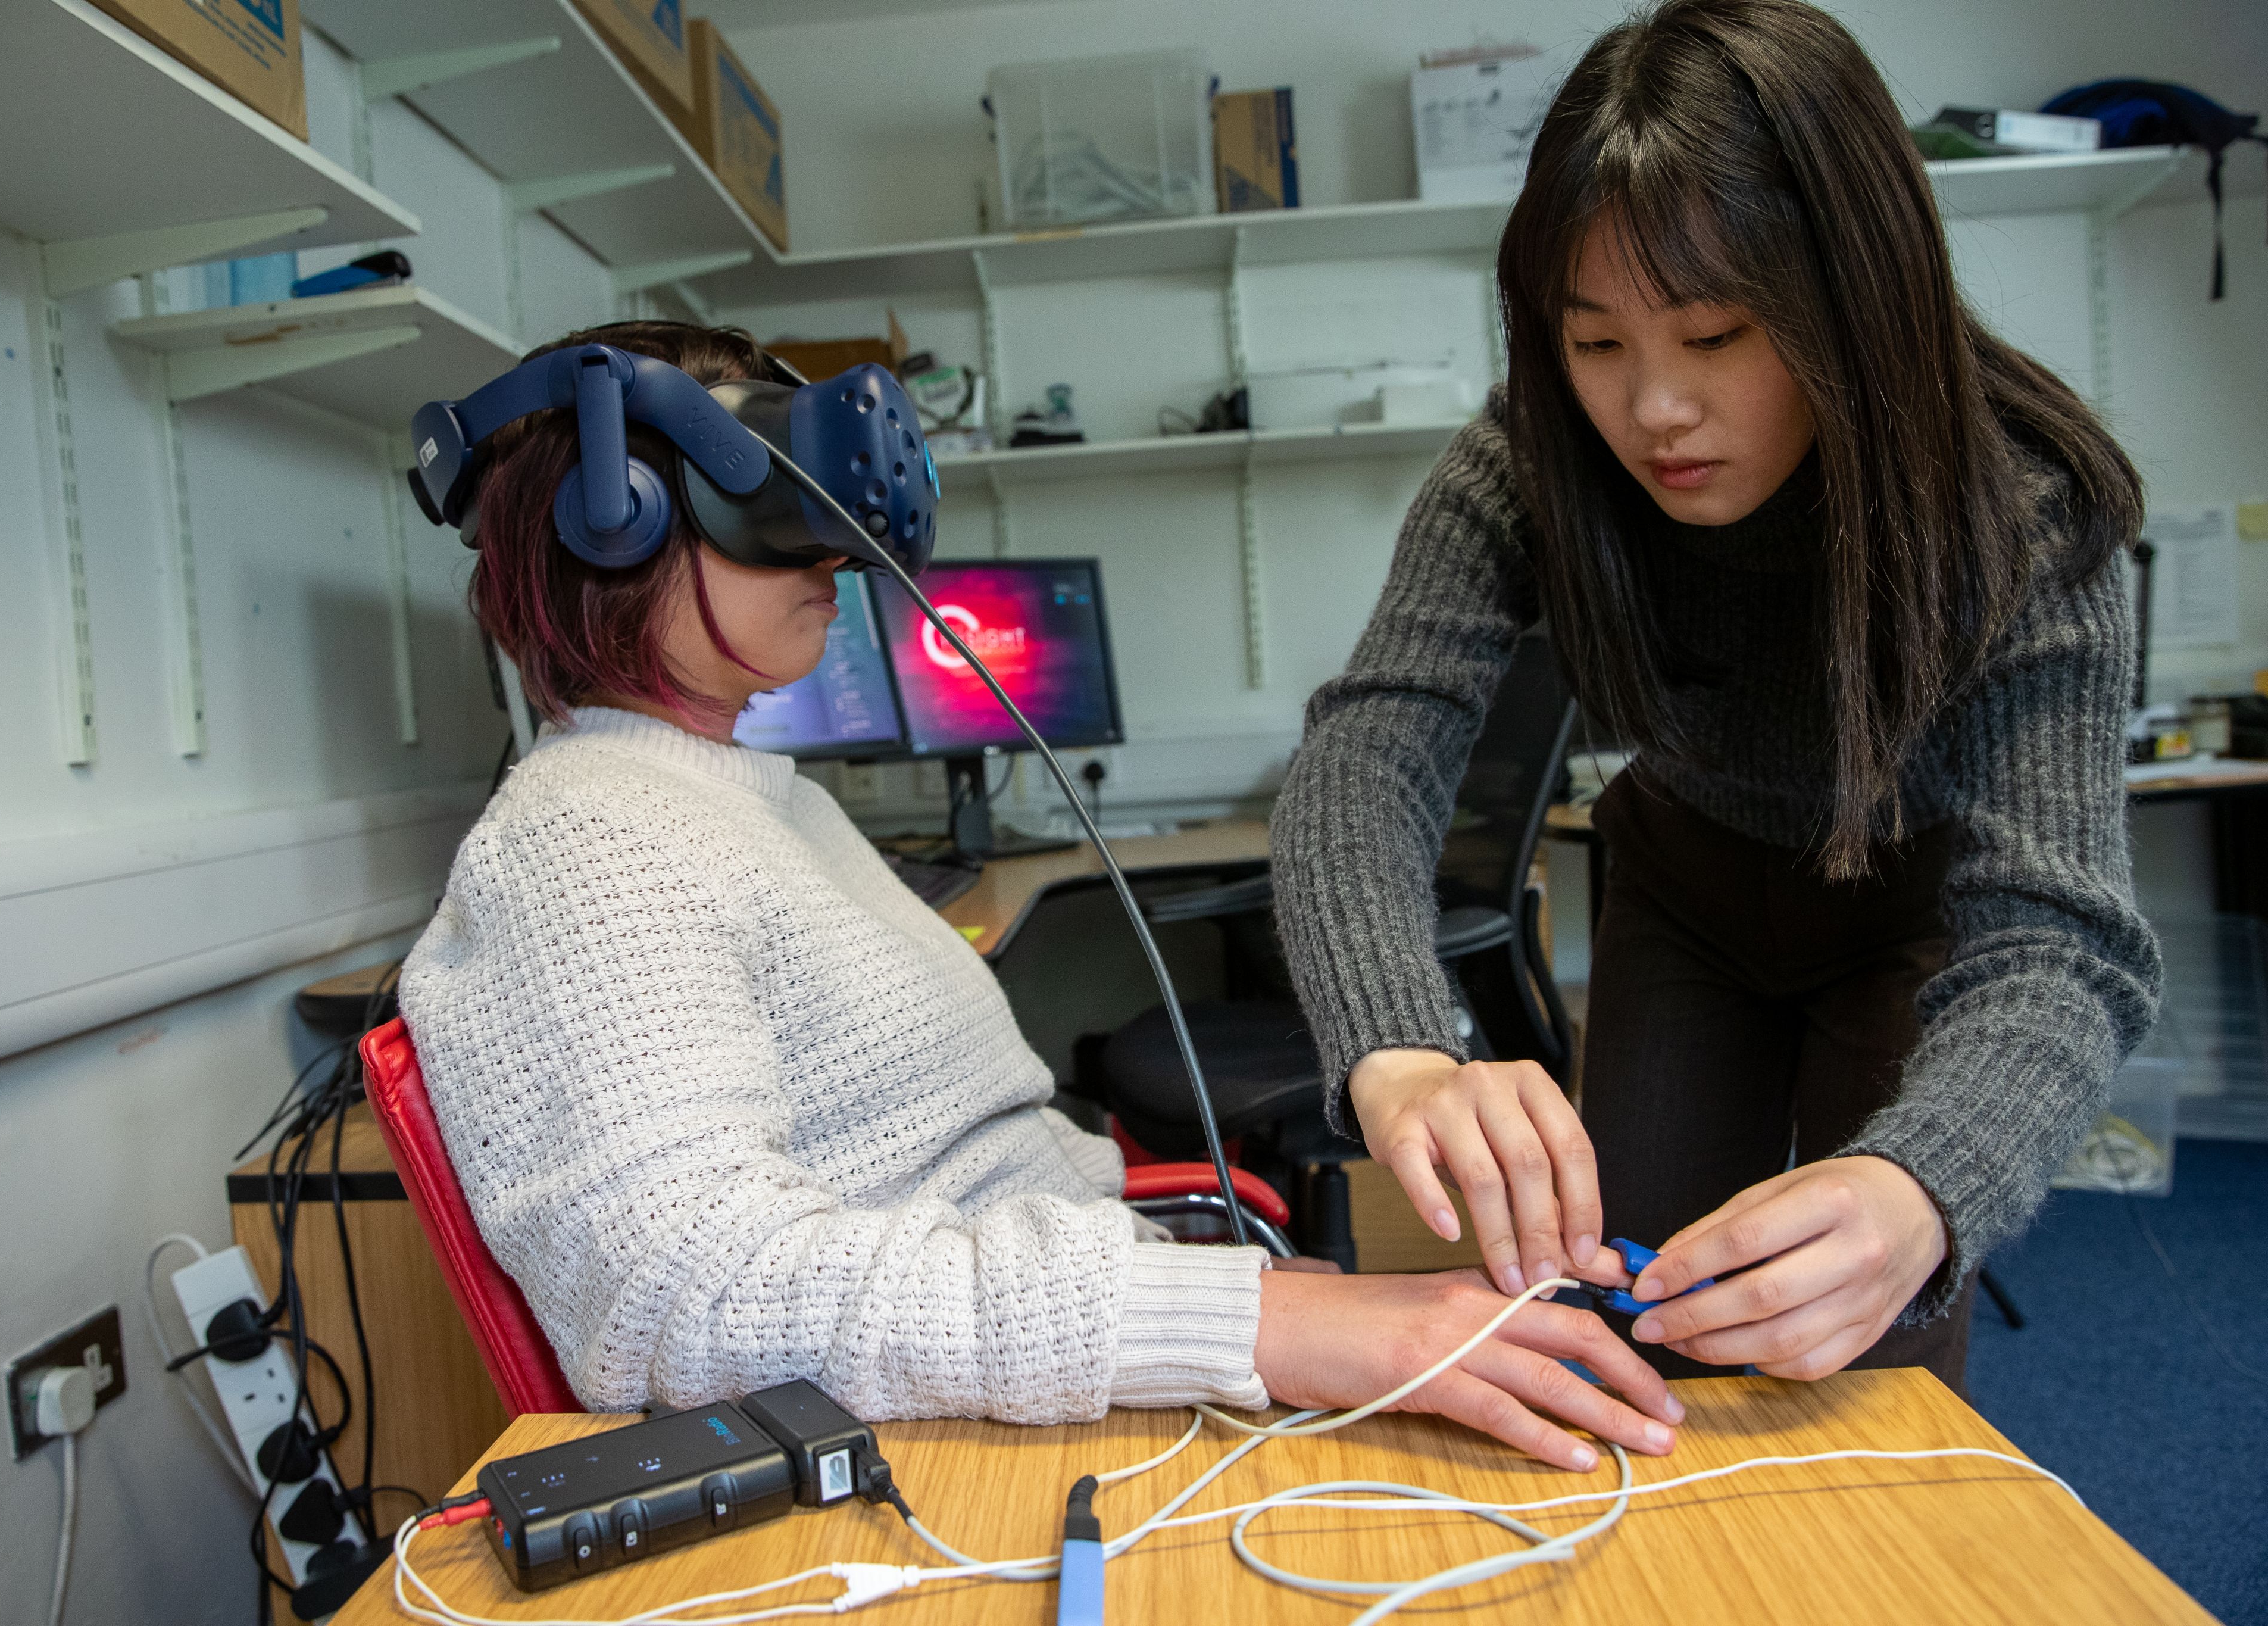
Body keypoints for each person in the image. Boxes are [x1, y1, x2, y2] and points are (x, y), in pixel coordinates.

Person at [401, 320, 1682, 1472]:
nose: (826, 541)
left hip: (1097, 1333)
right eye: (757, 485)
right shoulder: (585, 836)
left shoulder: (736, 797)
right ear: (612, 511)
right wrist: (1266, 1320)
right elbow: (690, 1298)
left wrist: (1252, 1305)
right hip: (1018, 1430)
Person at [1270, 0, 2160, 1395]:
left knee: (1863, 1343)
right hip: (1685, 889)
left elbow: (2059, 941)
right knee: (1636, 1309)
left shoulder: (2028, 507)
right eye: (1595, 343)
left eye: (1714, 333)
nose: (1652, 412)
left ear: (1851, 298)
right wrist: (1396, 1047)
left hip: (1910, 917)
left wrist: (1921, 1189)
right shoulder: (1528, 458)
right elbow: (1366, 750)